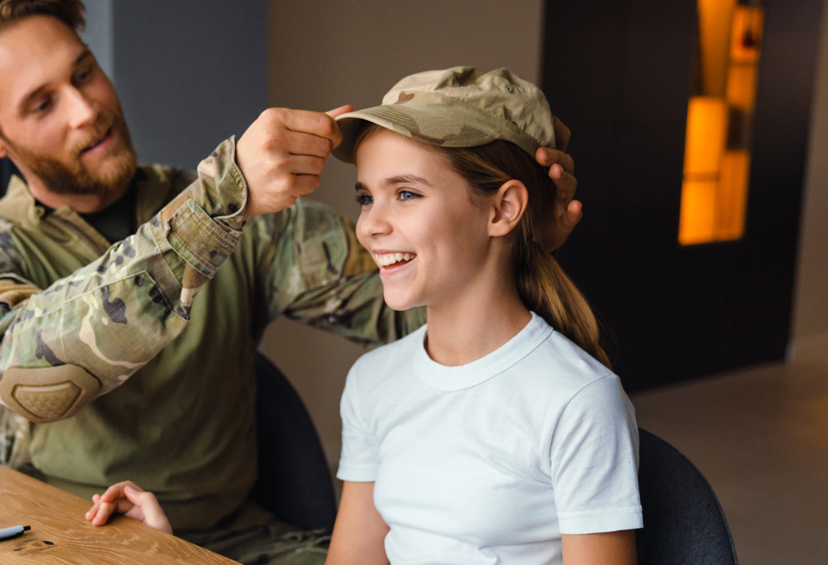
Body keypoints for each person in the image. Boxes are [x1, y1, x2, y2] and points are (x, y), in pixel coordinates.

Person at [0, 0, 583, 562]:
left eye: (83, 72)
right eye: (42, 103)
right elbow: (33, 375)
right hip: (73, 545)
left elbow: (441, 321)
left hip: (244, 541)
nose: (87, 110)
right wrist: (219, 203)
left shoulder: (251, 225)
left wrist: (510, 239)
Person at [89, 67, 640, 564]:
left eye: (405, 193)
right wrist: (169, 553)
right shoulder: (375, 382)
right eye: (365, 197)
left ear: (503, 209)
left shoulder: (577, 401)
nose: (370, 225)